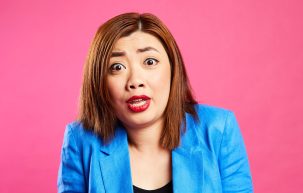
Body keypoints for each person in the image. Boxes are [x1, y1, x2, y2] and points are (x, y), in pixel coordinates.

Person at [57, 12, 253, 193]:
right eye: (117, 67)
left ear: (173, 69)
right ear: (99, 81)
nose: (135, 81)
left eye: (150, 62)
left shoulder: (219, 129)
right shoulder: (80, 140)